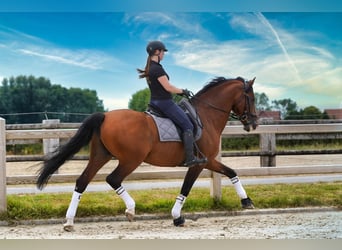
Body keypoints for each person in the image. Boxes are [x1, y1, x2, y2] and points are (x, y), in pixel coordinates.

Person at [137, 41, 207, 167]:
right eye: (163, 52)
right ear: (157, 52)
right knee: (188, 125)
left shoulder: (150, 68)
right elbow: (168, 87)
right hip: (164, 103)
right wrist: (182, 91)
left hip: (155, 102)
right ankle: (190, 158)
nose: (164, 54)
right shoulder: (157, 69)